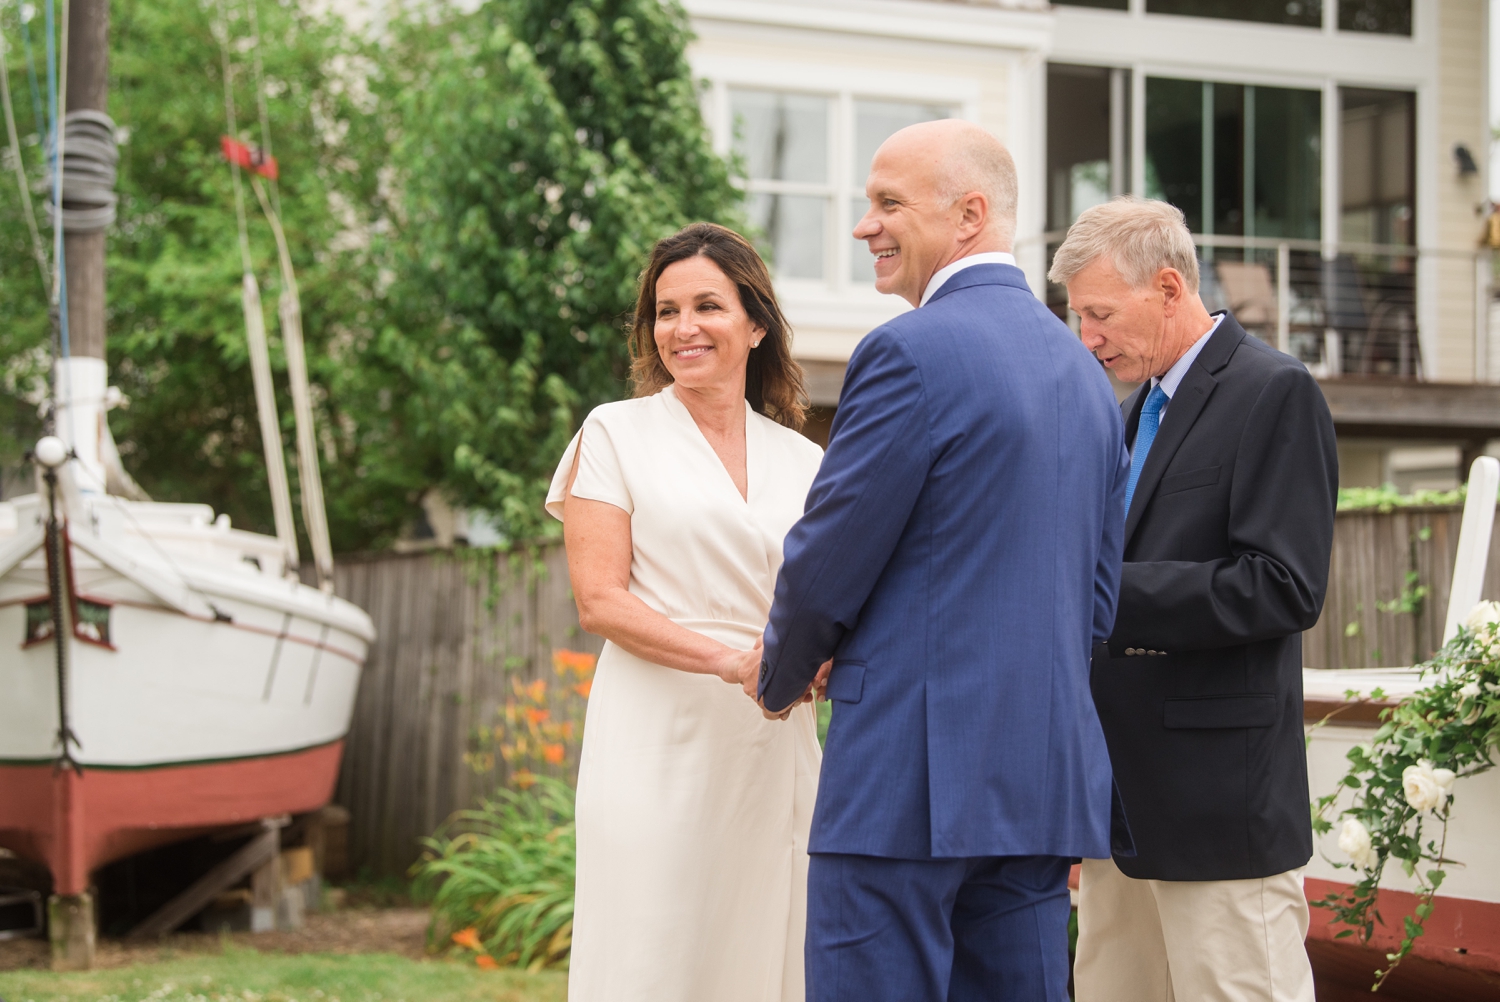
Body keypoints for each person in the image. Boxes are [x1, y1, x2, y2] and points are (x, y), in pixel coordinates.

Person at [736, 119, 1131, 1002]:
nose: (864, 226)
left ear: (970, 215)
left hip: (904, 783)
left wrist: (781, 671)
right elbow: (1096, 604)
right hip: (1038, 786)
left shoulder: (906, 352)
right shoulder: (1086, 377)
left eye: (887, 203)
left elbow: (830, 552)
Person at [1049, 196, 1337, 1002]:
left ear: (1169, 288)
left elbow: (1283, 586)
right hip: (1115, 806)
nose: (1088, 337)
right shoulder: (1127, 411)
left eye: (1100, 314)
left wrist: (1096, 592)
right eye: (1079, 316)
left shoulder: (1274, 390)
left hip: (1219, 812)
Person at [545, 223, 825, 1002]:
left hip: (774, 738)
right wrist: (729, 660)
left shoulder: (806, 461)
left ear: (756, 323)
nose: (683, 328)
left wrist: (822, 656)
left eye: (707, 305)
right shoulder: (615, 433)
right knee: (656, 941)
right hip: (657, 734)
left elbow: (832, 594)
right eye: (666, 312)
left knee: (772, 933)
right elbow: (599, 600)